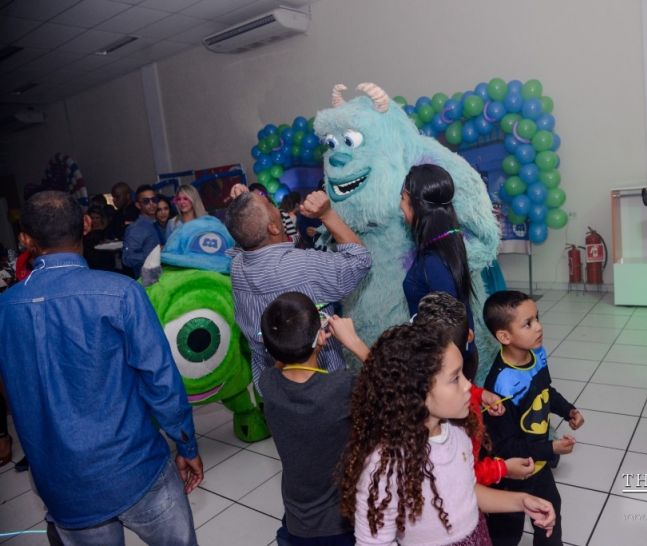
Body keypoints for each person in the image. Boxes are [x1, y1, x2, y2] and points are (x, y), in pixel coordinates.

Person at [0, 191, 203, 545]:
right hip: (135, 467)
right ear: (87, 224)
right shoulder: (121, 292)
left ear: (25, 239)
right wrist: (185, 444)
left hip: (62, 484)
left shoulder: (5, 308)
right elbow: (160, 380)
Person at [338, 322, 556, 544]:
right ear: (416, 391)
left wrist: (521, 501)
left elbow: (468, 493)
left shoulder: (458, 433)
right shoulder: (385, 466)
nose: (468, 386)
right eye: (455, 378)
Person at [225, 184, 371, 392]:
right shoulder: (302, 266)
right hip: (322, 391)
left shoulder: (237, 266)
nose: (276, 206)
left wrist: (242, 211)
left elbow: (255, 239)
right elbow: (360, 260)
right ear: (273, 228)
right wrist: (327, 214)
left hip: (274, 392)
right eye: (270, 204)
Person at [481, 290, 584, 546]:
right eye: (528, 323)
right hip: (512, 473)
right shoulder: (502, 386)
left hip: (538, 464)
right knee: (508, 529)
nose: (539, 327)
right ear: (504, 336)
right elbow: (505, 447)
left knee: (550, 511)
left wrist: (567, 409)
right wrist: (550, 448)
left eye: (537, 318)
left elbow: (545, 390)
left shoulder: (537, 353)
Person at [260, 292, 356, 545]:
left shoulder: (267, 383)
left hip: (297, 518)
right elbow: (392, 386)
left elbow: (279, 363)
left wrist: (297, 341)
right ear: (320, 336)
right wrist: (353, 341)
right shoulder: (341, 386)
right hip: (341, 521)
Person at [414, 291, 536, 486]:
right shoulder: (451, 427)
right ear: (469, 336)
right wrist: (503, 468)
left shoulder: (444, 387)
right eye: (455, 378)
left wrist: (481, 395)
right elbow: (465, 473)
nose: (468, 385)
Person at [401, 164, 478, 380]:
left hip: (443, 365)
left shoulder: (434, 259)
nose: (400, 206)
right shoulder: (447, 241)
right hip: (453, 357)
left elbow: (450, 322)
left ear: (414, 203)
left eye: (402, 199)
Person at [122, 184, 161, 278]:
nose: (151, 204)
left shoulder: (155, 224)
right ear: (138, 205)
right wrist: (154, 254)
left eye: (154, 200)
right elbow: (127, 259)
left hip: (158, 278)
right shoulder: (136, 228)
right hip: (146, 282)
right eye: (146, 201)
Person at [83, 204, 116, 271]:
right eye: (92, 218)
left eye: (97, 218)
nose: (95, 220)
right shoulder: (86, 232)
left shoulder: (108, 231)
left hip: (106, 265)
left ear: (102, 218)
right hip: (90, 265)